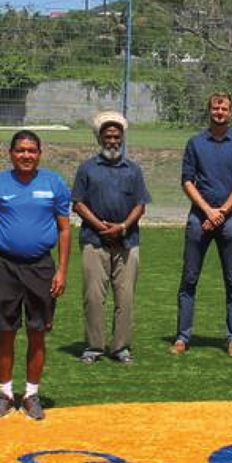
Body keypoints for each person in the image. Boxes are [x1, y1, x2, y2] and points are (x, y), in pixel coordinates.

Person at [0, 130, 72, 420]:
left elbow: (65, 228)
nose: (26, 155)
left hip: (41, 268)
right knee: (6, 332)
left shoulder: (53, 182)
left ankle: (31, 395)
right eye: (20, 150)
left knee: (37, 332)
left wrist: (61, 270)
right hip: (5, 267)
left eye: (32, 150)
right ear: (11, 153)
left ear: (40, 153)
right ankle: (5, 394)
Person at [173, 93, 232, 357]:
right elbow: (187, 181)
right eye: (216, 107)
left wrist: (221, 212)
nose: (220, 111)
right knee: (189, 279)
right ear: (209, 110)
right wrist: (208, 211)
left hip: (228, 220)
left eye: (225, 108)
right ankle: (183, 337)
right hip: (199, 218)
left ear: (231, 113)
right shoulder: (195, 143)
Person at [72, 111, 151, 365]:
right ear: (99, 138)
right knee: (94, 297)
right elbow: (78, 204)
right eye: (107, 136)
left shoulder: (133, 170)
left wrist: (123, 227)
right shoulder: (87, 169)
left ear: (123, 138)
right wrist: (101, 228)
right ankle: (94, 347)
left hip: (128, 243)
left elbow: (140, 204)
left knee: (125, 298)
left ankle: (121, 347)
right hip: (93, 242)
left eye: (117, 136)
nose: (112, 141)